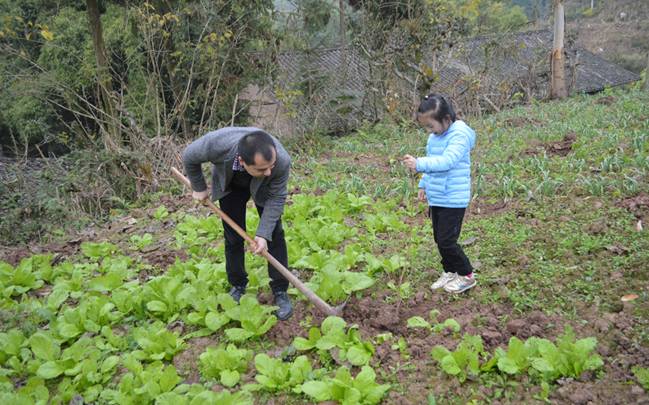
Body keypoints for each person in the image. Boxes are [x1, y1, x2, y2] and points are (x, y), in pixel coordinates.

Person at [182, 127, 293, 320]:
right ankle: (238, 284)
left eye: (270, 166)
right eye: (261, 168)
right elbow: (189, 156)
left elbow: (277, 198)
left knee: (274, 234)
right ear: (242, 161)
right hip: (231, 184)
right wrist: (198, 187)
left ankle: (280, 290)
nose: (268, 172)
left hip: (265, 190)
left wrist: (263, 234)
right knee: (233, 237)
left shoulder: (280, 162)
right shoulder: (217, 144)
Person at [403, 94, 477, 294]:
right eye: (426, 127)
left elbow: (447, 162)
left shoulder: (459, 135)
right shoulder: (435, 137)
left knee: (447, 241)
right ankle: (450, 271)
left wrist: (418, 164)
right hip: (438, 196)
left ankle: (466, 275)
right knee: (439, 239)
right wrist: (423, 185)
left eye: (430, 126)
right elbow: (432, 162)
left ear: (446, 119)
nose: (429, 131)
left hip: (453, 198)